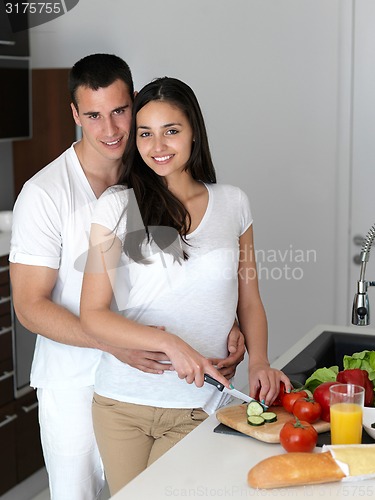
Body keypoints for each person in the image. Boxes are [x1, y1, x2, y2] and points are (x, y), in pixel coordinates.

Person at [9, 55, 245, 500]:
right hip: (75, 380)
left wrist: (223, 321)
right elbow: (29, 306)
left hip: (151, 386)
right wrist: (115, 342)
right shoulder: (45, 194)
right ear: (75, 115)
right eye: (94, 116)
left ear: (135, 104)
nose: (111, 129)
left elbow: (181, 274)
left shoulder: (152, 175)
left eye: (120, 111)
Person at [80, 76, 292, 495]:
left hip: (200, 404)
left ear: (194, 132)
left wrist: (261, 360)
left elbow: (249, 299)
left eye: (171, 131)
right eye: (145, 134)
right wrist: (173, 345)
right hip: (121, 404)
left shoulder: (233, 203)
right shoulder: (116, 205)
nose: (157, 146)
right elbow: (93, 314)